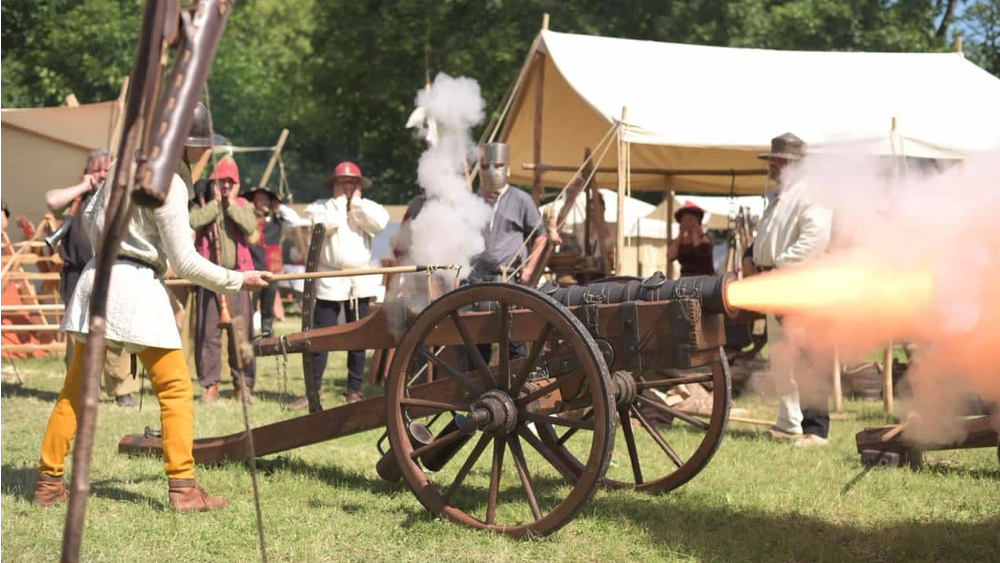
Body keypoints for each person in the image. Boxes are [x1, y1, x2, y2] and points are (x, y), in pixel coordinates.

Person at [34, 102, 272, 511]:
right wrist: (237, 279)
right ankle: (182, 490)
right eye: (201, 147)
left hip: (99, 279)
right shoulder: (172, 185)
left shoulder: (122, 171)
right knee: (177, 390)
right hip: (135, 287)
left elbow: (89, 219)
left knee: (75, 390)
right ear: (185, 145)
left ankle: (47, 483)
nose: (204, 155)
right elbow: (184, 262)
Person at [748, 132, 833, 448]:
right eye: (773, 159)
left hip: (798, 284)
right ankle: (789, 421)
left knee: (809, 359)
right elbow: (768, 238)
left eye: (779, 160)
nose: (772, 164)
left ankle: (816, 429)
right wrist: (752, 256)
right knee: (781, 355)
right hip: (776, 283)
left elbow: (814, 240)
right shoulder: (779, 195)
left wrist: (779, 267)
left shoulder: (812, 194)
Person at [45, 149, 139, 407]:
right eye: (96, 169)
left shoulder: (117, 198)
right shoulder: (76, 199)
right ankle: (80, 389)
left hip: (111, 272)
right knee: (77, 333)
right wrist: (83, 186)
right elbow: (52, 201)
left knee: (114, 331)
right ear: (87, 172)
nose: (101, 174)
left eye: (105, 170)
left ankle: (122, 389)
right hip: (76, 273)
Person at [293, 161, 388, 409]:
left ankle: (354, 389)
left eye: (351, 183)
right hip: (329, 281)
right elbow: (325, 226)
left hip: (359, 280)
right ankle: (312, 390)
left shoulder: (367, 208)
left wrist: (355, 204)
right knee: (320, 336)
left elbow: (379, 223)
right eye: (342, 183)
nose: (347, 187)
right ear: (334, 184)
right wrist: (339, 204)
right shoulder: (322, 208)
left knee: (358, 337)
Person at [189, 156, 258, 403]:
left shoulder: (242, 205)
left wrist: (229, 205)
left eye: (230, 182)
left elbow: (250, 227)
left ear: (236, 184)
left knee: (242, 335)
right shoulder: (202, 206)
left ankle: (243, 384)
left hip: (239, 279)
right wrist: (215, 205)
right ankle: (211, 385)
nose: (225, 186)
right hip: (209, 278)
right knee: (208, 336)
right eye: (221, 181)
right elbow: (193, 221)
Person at [243, 186, 301, 338]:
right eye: (259, 199)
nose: (262, 202)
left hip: (271, 269)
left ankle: (267, 334)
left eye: (265, 199)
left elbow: (296, 221)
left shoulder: (277, 217)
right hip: (252, 268)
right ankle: (247, 335)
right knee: (249, 305)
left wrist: (279, 207)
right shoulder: (246, 217)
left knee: (267, 306)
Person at [668, 200, 715, 276]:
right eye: (684, 220)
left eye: (690, 219)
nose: (687, 222)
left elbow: (700, 251)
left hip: (704, 279)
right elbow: (670, 256)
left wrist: (695, 232)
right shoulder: (680, 241)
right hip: (685, 279)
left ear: (697, 221)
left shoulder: (706, 237)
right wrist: (680, 234)